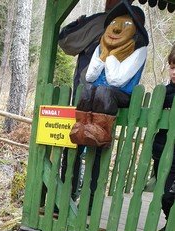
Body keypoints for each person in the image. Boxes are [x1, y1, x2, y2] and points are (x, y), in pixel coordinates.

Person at [59, 0, 128, 200]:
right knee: (94, 148)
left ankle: (66, 199)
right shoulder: (136, 28)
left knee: (76, 144)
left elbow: (66, 41)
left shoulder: (100, 22)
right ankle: (88, 202)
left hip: (88, 95)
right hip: (109, 99)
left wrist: (77, 24)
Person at [70, 1, 148, 148]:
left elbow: (116, 80)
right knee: (87, 89)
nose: (117, 28)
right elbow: (90, 77)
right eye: (114, 23)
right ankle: (82, 126)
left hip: (121, 94)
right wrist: (103, 54)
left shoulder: (139, 50)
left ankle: (101, 130)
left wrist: (112, 55)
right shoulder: (101, 47)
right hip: (98, 92)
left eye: (126, 24)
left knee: (104, 92)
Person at [152, 44, 175, 231]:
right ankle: (170, 223)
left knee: (169, 195)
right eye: (172, 67)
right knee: (162, 194)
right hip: (163, 152)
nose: (174, 72)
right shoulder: (164, 94)